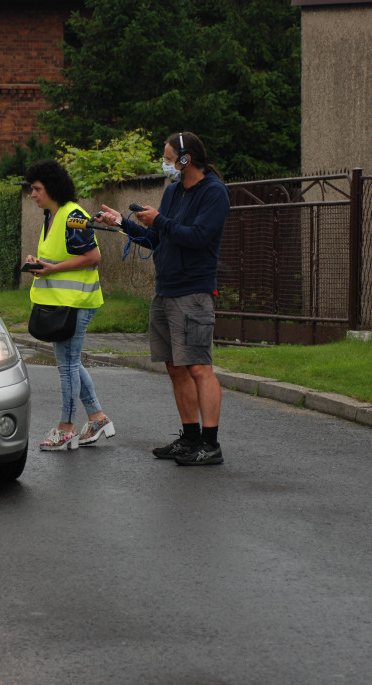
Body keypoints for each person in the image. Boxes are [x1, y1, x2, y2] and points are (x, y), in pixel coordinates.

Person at [95, 132, 230, 466]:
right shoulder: (172, 192)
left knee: (199, 367)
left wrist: (161, 221)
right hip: (166, 290)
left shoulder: (214, 193)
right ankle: (190, 437)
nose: (165, 163)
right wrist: (124, 224)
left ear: (186, 160)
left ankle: (210, 445)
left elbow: (198, 237)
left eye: (169, 157)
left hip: (193, 292)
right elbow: (157, 237)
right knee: (175, 368)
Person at [24, 159, 115, 451]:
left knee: (67, 367)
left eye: (36, 189)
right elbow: (60, 257)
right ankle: (98, 418)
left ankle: (66, 428)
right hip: (62, 305)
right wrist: (40, 264)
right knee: (70, 363)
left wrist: (51, 269)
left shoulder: (73, 215)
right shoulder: (52, 216)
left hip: (77, 303)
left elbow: (93, 257)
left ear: (51, 188)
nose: (32, 194)